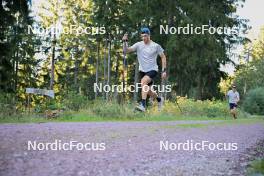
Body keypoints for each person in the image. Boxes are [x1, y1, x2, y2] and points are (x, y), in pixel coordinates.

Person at [122, 27, 167, 112]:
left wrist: (164, 70)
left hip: (153, 70)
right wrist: (125, 42)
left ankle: (143, 105)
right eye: (142, 36)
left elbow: (163, 57)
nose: (144, 38)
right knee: (148, 90)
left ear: (149, 35)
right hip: (142, 71)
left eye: (145, 36)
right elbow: (126, 51)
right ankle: (159, 99)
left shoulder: (155, 46)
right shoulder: (139, 45)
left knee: (143, 82)